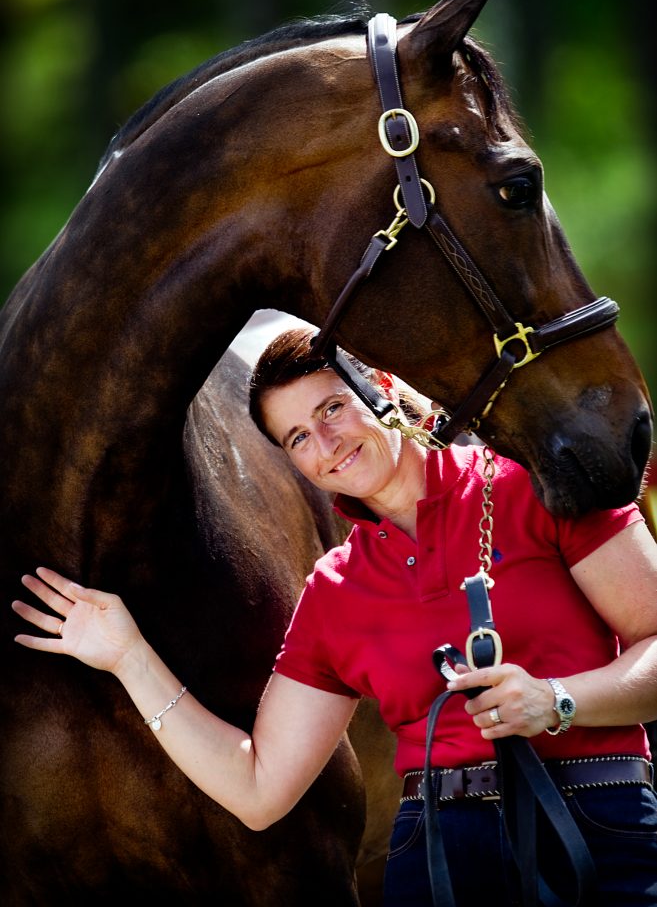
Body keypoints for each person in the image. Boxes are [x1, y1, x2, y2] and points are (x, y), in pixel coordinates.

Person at [12, 326, 657, 906]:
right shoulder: (335, 591)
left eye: (331, 408)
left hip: (597, 821)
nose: (326, 443)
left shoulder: (526, 482)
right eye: (297, 437)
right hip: (435, 856)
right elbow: (260, 788)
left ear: (378, 385)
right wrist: (129, 656)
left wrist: (558, 700)